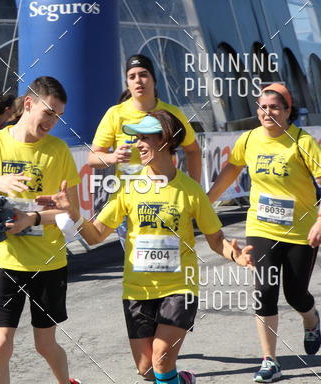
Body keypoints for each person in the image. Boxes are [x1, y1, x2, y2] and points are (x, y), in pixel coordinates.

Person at [38, 110, 253, 384]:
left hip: (179, 288)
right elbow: (95, 236)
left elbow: (216, 240)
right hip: (137, 290)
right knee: (147, 370)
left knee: (161, 359)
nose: (137, 144)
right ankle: (183, 380)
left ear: (165, 140)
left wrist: (235, 254)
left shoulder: (190, 190)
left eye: (144, 138)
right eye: (136, 138)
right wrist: (73, 214)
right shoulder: (128, 188)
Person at [0, 76, 83, 384]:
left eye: (58, 116)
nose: (52, 122)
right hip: (5, 261)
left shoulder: (58, 151)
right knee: (0, 345)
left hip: (48, 262)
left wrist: (33, 219)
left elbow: (72, 214)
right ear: (28, 104)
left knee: (45, 345)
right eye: (48, 112)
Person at [207, 83, 321, 382]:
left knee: (295, 295)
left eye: (274, 107)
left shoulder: (302, 142)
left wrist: (320, 220)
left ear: (287, 110)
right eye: (263, 107)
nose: (267, 112)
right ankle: (270, 360)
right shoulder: (249, 139)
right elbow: (231, 170)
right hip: (261, 226)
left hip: (299, 230)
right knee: (265, 291)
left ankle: (311, 320)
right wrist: (206, 202)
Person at [87, 54, 202, 252]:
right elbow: (92, 158)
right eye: (132, 77)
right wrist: (112, 157)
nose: (138, 80)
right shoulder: (115, 114)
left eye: (143, 74)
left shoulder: (172, 113)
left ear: (154, 79)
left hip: (167, 200)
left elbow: (193, 151)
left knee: (168, 258)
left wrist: (194, 191)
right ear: (127, 83)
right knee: (138, 260)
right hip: (128, 202)